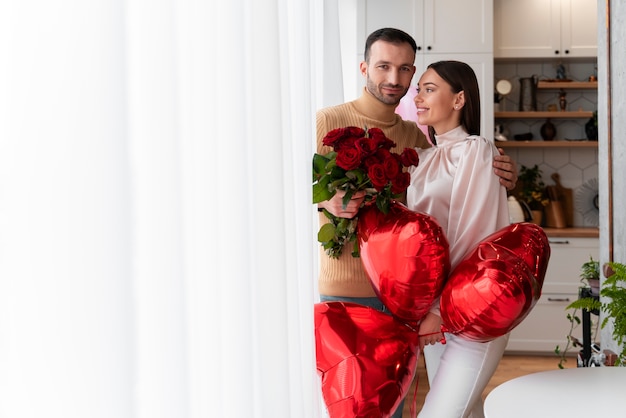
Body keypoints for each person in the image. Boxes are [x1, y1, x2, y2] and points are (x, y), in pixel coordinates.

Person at [316, 28, 518, 418]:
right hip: (352, 291)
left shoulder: (416, 143)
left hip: (421, 302)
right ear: (364, 67)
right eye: (384, 66)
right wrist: (325, 200)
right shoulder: (331, 122)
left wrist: (509, 173)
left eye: (406, 70)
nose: (396, 79)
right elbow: (286, 187)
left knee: (402, 407)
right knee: (354, 406)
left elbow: (467, 224)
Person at [406, 60, 511, 417]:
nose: (418, 97)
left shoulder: (477, 150)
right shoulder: (420, 159)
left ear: (459, 99)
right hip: (433, 311)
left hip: (470, 312)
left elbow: (474, 235)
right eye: (419, 88)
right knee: (466, 412)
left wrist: (437, 310)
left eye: (429, 89)